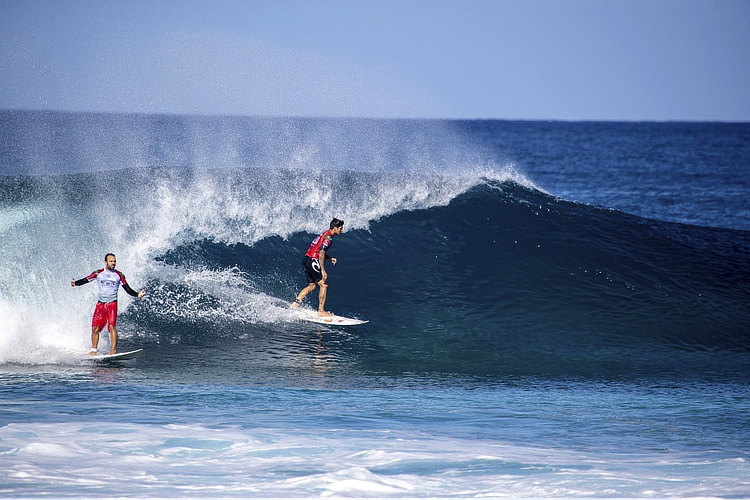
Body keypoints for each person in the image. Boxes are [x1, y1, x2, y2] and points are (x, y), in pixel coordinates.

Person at [71, 253, 145, 355]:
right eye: (111, 261)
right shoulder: (98, 273)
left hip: (112, 304)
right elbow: (86, 280)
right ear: (106, 262)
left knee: (112, 326)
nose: (113, 263)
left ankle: (113, 350)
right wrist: (76, 283)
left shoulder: (119, 275)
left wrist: (137, 295)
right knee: (95, 328)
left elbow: (127, 289)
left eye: (114, 261)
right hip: (101, 304)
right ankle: (93, 351)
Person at [291, 218, 344, 316]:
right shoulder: (329, 238)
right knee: (324, 285)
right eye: (340, 228)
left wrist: (329, 258)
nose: (342, 230)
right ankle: (321, 311)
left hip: (306, 259)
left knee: (312, 286)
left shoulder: (324, 234)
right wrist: (323, 270)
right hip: (313, 261)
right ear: (335, 228)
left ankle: (295, 304)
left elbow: (318, 250)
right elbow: (321, 253)